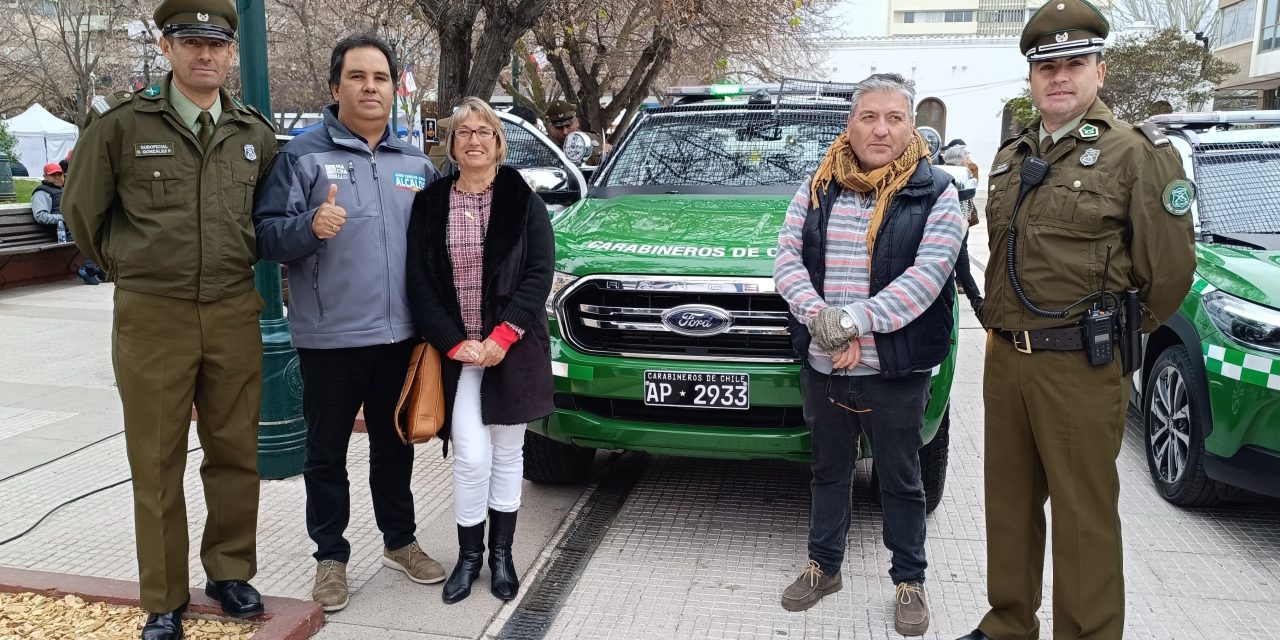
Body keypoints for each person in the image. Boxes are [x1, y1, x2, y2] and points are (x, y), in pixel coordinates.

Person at [952, 2, 1195, 639]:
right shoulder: (1011, 156)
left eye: (1074, 64)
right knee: (1008, 504)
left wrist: (1114, 333)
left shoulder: (1136, 155)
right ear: (1032, 79)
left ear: (1099, 72)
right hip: (1006, 359)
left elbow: (1168, 273)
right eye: (1047, 66)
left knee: (1084, 518)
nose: (1059, 77)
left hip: (1080, 367)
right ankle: (1008, 622)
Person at [60, 0, 278, 636]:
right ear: (167, 47)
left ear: (231, 52)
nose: (204, 54)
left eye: (216, 44)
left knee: (236, 451)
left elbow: (263, 219)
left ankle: (231, 571)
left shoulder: (252, 132)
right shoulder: (121, 125)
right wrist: (136, 267)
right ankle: (162, 596)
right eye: (190, 42)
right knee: (157, 462)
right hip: (153, 317)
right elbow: (83, 214)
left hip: (234, 309)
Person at [253, 34, 444, 613]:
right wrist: (309, 226)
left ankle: (400, 542)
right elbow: (265, 236)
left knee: (395, 448)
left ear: (392, 89)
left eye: (380, 78)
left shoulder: (417, 165)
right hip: (330, 339)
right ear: (335, 88)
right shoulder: (302, 156)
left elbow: (435, 253)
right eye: (357, 77)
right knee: (326, 454)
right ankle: (330, 557)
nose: (370, 87)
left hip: (401, 339)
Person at [773, 72, 964, 637]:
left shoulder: (937, 193)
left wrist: (854, 320)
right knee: (829, 472)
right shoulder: (817, 187)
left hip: (896, 369)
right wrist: (824, 324)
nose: (881, 129)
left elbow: (927, 277)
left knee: (902, 481)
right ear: (850, 123)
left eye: (895, 117)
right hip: (826, 366)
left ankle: (910, 581)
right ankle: (823, 567)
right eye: (868, 116)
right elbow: (787, 262)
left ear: (911, 126)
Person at [405, 96, 555, 605]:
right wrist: (454, 342)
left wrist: (502, 336)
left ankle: (501, 556)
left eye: (483, 132)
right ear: (451, 144)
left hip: (508, 348)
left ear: (497, 142)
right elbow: (419, 283)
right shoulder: (430, 203)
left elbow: (539, 275)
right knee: (471, 456)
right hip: (457, 354)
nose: (473, 140)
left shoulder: (522, 198)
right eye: (464, 132)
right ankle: (469, 557)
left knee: (508, 452)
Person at [941, 144, 984, 313]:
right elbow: (965, 210)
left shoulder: (945, 173)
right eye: (967, 159)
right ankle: (976, 301)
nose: (969, 162)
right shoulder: (960, 176)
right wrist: (958, 235)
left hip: (952, 230)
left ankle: (974, 299)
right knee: (962, 264)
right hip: (954, 230)